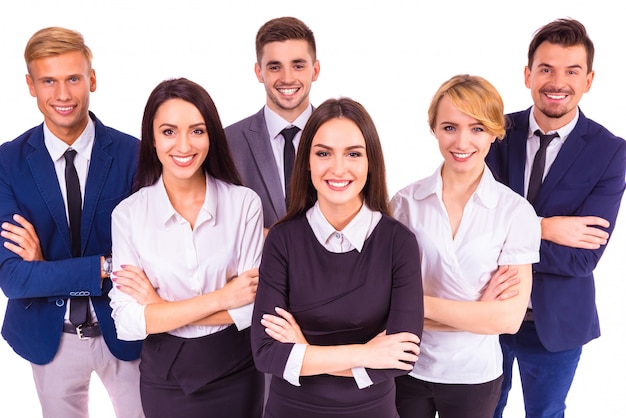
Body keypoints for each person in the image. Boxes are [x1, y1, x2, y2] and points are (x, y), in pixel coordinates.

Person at [485, 18, 626, 417]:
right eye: (546, 69)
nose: (557, 81)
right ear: (528, 74)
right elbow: (468, 230)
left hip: (556, 323)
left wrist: (504, 240)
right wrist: (545, 228)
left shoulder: (610, 152)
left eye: (571, 71)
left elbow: (584, 258)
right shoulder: (494, 133)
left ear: (590, 80)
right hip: (485, 310)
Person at [0, 27, 143, 417]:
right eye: (49, 81)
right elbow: (13, 279)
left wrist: (46, 267)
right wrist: (104, 265)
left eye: (73, 79)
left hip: (128, 333)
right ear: (30, 85)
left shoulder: (134, 154)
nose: (62, 95)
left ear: (91, 79)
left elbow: (150, 261)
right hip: (49, 337)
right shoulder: (7, 163)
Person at [251, 97, 424, 418]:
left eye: (353, 154)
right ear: (307, 161)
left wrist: (305, 353)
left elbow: (401, 357)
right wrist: (366, 353)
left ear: (370, 162)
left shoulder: (398, 242)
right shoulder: (282, 239)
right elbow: (266, 353)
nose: (338, 168)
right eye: (323, 153)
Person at [109, 78, 265, 418]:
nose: (183, 145)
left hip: (236, 372)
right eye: (168, 132)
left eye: (197, 130)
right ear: (151, 138)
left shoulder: (243, 204)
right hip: (165, 379)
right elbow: (129, 322)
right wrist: (222, 298)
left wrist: (160, 309)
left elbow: (253, 309)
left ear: (211, 136)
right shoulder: (128, 215)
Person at [391, 74, 541, 418]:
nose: (462, 141)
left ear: (494, 132)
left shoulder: (516, 213)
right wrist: (476, 314)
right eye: (449, 127)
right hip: (407, 365)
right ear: (434, 129)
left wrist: (417, 305)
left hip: (475, 375)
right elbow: (385, 303)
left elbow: (508, 319)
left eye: (476, 128)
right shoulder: (404, 204)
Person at [225, 16, 320, 233]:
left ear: (315, 71)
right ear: (259, 73)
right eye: (275, 67)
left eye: (298, 65)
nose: (287, 78)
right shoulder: (228, 142)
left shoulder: (341, 136)